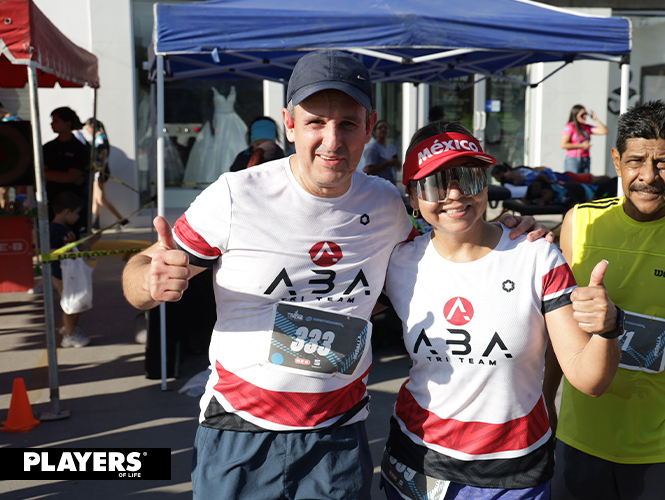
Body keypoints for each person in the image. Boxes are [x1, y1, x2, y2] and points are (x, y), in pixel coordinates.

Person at [122, 50, 549, 500]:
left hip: (337, 434)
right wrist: (149, 281)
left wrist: (507, 233)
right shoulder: (235, 196)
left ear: (369, 126)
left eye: (347, 123)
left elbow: (443, 251)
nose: (332, 140)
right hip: (241, 429)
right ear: (289, 124)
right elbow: (139, 276)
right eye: (315, 123)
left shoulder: (385, 205)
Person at [379, 121, 621, 500]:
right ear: (413, 196)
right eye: (436, 183)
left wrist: (607, 328)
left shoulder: (536, 255)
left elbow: (590, 380)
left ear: (486, 183)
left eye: (469, 177)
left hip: (513, 472)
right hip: (417, 459)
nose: (455, 194)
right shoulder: (398, 261)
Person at [543, 100, 665, 500]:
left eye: (663, 162)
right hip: (580, 439)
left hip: (658, 451)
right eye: (636, 161)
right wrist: (545, 404)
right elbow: (556, 328)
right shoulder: (580, 221)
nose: (649, 176)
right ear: (616, 160)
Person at [50, 192, 96, 348]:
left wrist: (89, 242)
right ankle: (69, 335)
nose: (78, 217)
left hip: (72, 273)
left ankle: (70, 328)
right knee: (70, 305)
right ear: (67, 211)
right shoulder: (54, 230)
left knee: (78, 302)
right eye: (76, 213)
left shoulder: (66, 229)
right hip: (62, 274)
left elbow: (74, 249)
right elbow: (51, 251)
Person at [43, 107, 90, 237]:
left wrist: (49, 175)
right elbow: (39, 173)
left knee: (71, 237)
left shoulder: (79, 149)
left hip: (72, 203)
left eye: (56, 121)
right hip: (51, 200)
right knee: (51, 236)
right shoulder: (48, 148)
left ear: (68, 123)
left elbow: (71, 177)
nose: (51, 124)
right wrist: (63, 176)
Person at [83, 118, 128, 230]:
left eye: (88, 128)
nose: (87, 131)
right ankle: (92, 223)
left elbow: (103, 152)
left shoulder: (100, 138)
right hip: (98, 170)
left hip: (100, 170)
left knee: (101, 199)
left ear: (93, 126)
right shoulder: (99, 137)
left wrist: (102, 171)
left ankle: (122, 219)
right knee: (95, 200)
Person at [561, 104, 609, 174]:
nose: (585, 116)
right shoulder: (570, 127)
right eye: (582, 115)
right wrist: (581, 146)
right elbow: (563, 145)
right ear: (576, 115)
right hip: (573, 160)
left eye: (586, 114)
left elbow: (604, 131)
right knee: (573, 179)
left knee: (586, 179)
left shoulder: (586, 127)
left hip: (585, 158)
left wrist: (595, 119)